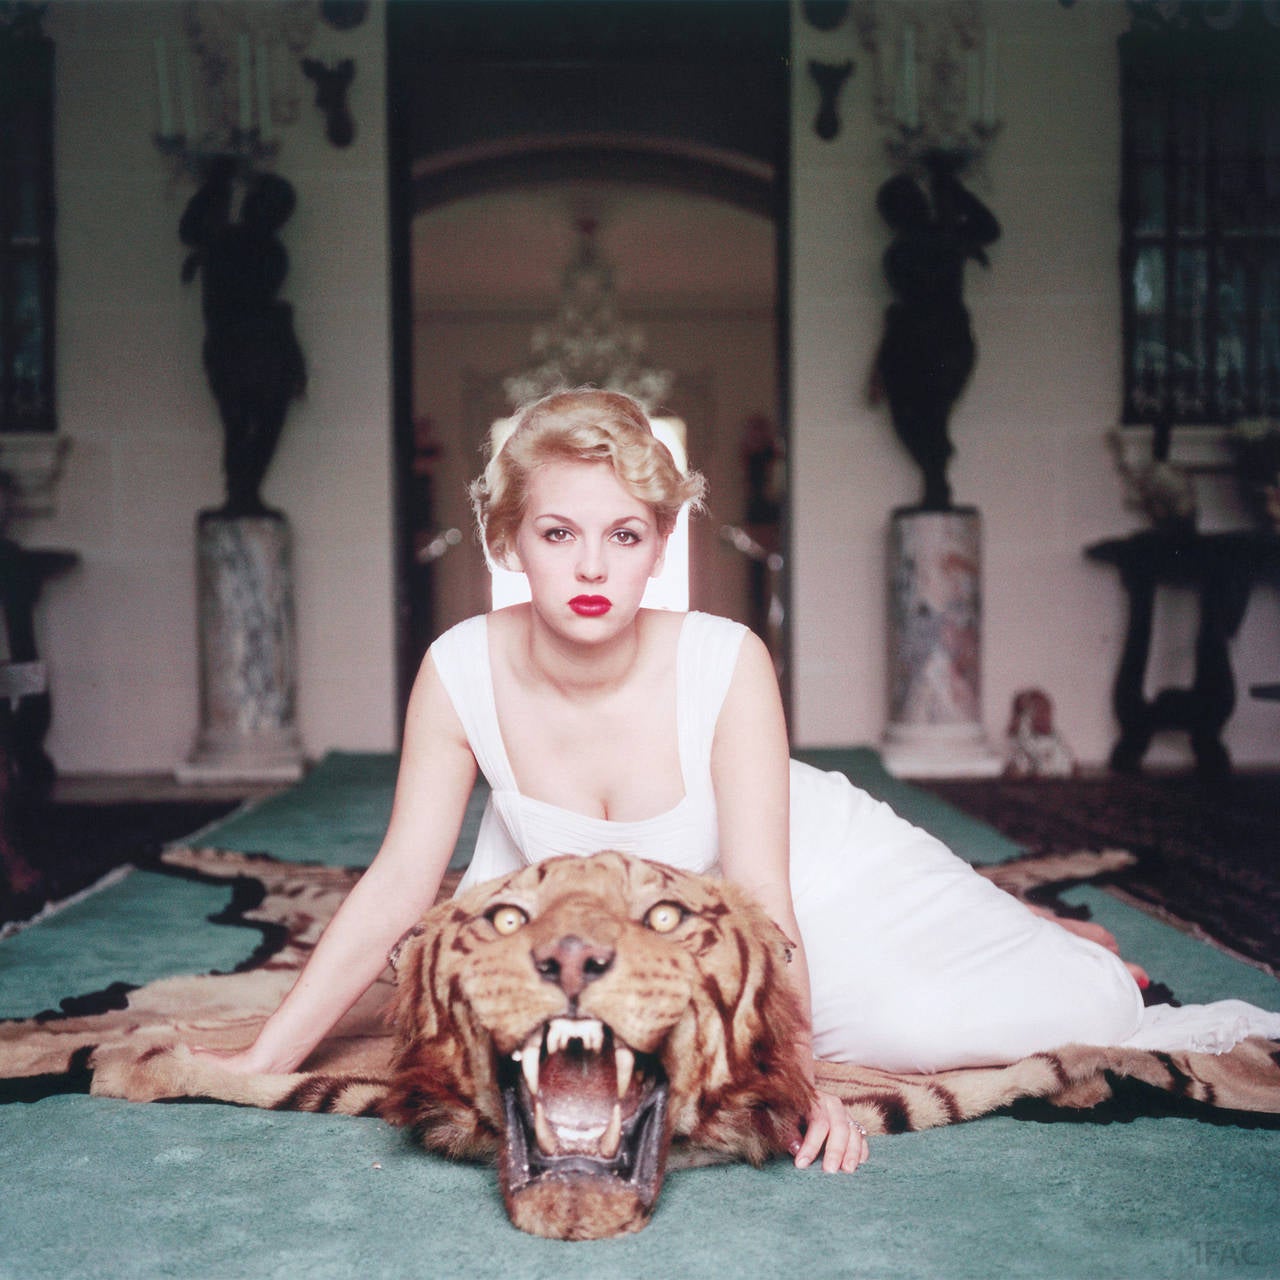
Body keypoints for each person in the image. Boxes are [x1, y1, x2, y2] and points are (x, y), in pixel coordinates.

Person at [199, 388, 1280, 1174]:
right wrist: (264, 1055)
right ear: (507, 540)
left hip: (817, 876)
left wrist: (798, 1084)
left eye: (624, 535)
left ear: (660, 540)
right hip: (654, 929)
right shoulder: (458, 669)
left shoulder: (724, 656)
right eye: (557, 532)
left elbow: (763, 890)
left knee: (960, 1019)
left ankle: (1078, 955)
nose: (589, 567)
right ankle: (1037, 928)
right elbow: (399, 880)